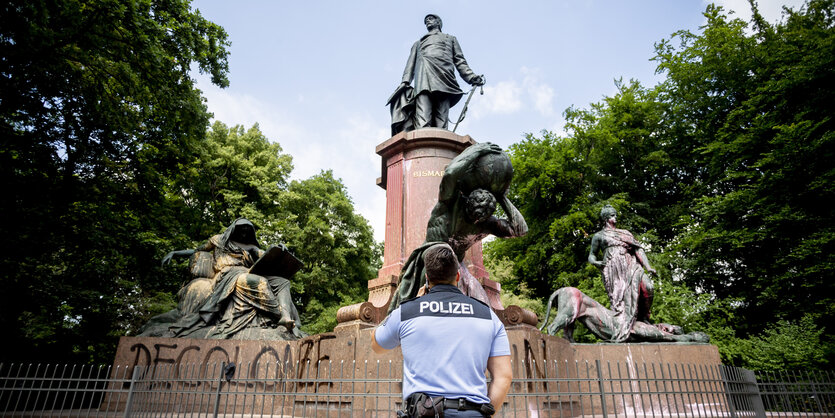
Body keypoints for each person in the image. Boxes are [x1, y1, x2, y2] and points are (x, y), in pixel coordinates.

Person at [372, 243, 512, 417]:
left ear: (427, 278)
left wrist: (410, 304)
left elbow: (377, 344)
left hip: (425, 412)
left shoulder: (406, 312)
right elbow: (504, 376)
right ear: (458, 276)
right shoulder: (488, 315)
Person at [388, 143, 527, 312]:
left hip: (456, 268)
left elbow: (520, 230)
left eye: (481, 216)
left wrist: (502, 196)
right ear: (466, 201)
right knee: (427, 299)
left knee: (481, 301)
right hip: (432, 258)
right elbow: (451, 173)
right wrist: (477, 150)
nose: (475, 218)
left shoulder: (485, 222)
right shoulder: (448, 204)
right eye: (473, 211)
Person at [141, 218, 304, 340]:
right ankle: (277, 314)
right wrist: (175, 253)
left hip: (247, 271)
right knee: (259, 283)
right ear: (234, 228)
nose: (245, 232)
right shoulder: (218, 240)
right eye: (242, 228)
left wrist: (279, 249)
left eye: (248, 229)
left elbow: (263, 254)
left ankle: (285, 317)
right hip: (228, 274)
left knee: (283, 282)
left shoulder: (251, 247)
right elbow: (197, 250)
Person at [389, 14, 485, 133]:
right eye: (425, 21)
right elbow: (410, 65)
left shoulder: (450, 39)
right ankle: (422, 145)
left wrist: (471, 77)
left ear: (438, 22)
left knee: (441, 118)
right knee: (423, 116)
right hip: (423, 79)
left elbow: (460, 61)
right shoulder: (418, 44)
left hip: (445, 78)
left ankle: (442, 143)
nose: (427, 22)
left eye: (430, 19)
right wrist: (405, 81)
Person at [587, 205, 655, 342]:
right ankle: (625, 323)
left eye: (615, 215)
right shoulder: (599, 236)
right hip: (613, 270)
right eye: (613, 215)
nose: (615, 217)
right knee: (621, 302)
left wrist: (648, 267)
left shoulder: (625, 233)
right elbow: (591, 255)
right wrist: (596, 263)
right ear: (606, 218)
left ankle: (644, 317)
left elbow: (638, 250)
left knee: (648, 288)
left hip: (631, 266)